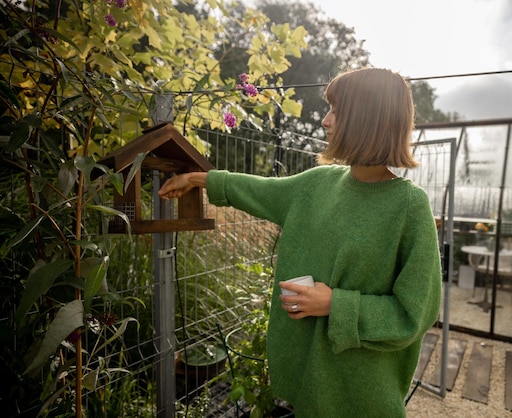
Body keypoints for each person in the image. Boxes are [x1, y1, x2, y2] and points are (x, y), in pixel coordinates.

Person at [158, 67, 442, 417]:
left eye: (336, 110)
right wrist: (200, 179)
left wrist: (335, 304)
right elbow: (260, 190)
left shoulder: (409, 207)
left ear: (366, 119)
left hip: (363, 397)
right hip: (310, 388)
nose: (325, 121)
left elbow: (414, 314)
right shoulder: (318, 183)